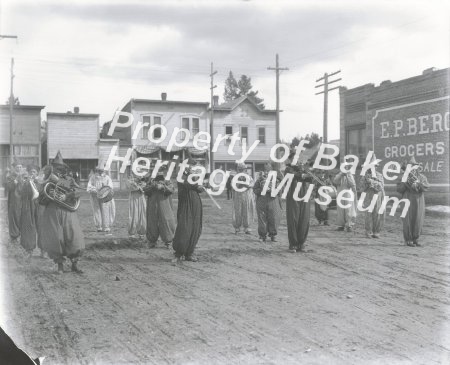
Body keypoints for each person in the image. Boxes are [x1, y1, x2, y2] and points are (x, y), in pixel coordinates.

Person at [39, 151, 85, 274]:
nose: (58, 169)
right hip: (52, 212)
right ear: (52, 167)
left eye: (60, 167)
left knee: (74, 237)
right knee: (56, 238)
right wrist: (50, 196)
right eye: (55, 167)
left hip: (68, 212)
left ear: (64, 168)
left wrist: (66, 196)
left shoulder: (69, 180)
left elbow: (79, 192)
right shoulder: (45, 181)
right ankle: (60, 266)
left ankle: (75, 264)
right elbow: (40, 200)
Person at [172, 160, 205, 263]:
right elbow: (189, 184)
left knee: (195, 227)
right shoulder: (181, 177)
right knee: (184, 227)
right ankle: (178, 253)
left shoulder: (194, 176)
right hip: (186, 204)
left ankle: (189, 253)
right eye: (189, 166)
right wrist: (197, 184)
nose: (190, 168)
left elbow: (199, 188)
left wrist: (200, 186)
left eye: (192, 167)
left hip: (195, 203)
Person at [397, 156, 429, 247]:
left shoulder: (422, 177)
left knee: (418, 219)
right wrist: (405, 183)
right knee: (408, 219)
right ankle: (408, 240)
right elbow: (399, 189)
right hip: (407, 200)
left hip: (419, 201)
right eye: (410, 166)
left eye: (414, 166)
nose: (412, 168)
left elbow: (426, 187)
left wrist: (418, 183)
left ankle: (415, 239)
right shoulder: (403, 177)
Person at [285, 156, 314, 253]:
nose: (298, 161)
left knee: (304, 219)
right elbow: (295, 176)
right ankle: (293, 244)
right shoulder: (288, 169)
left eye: (299, 159)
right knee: (294, 219)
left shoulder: (303, 169)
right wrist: (303, 174)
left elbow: (310, 180)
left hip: (305, 195)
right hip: (293, 196)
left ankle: (301, 244)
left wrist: (309, 173)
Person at [144, 166, 176, 248]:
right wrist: (152, 186)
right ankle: (152, 240)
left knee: (166, 221)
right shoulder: (151, 180)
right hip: (153, 204)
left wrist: (163, 187)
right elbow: (145, 190)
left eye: (160, 171)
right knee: (152, 221)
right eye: (157, 171)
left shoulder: (167, 180)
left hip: (164, 204)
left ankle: (168, 241)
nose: (158, 173)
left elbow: (172, 189)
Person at [253, 162, 283, 242]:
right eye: (265, 169)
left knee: (274, 217)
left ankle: (273, 235)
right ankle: (262, 235)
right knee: (262, 218)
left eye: (269, 169)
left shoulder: (276, 179)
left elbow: (280, 189)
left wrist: (273, 191)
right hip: (261, 200)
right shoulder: (260, 179)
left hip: (273, 200)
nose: (267, 171)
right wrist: (261, 190)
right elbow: (255, 189)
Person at [359, 155, 385, 238]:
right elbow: (361, 187)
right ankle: (368, 231)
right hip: (368, 196)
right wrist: (366, 183)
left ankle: (376, 231)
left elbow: (381, 186)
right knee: (368, 214)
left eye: (374, 166)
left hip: (377, 197)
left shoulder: (379, 175)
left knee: (377, 214)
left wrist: (372, 182)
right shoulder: (364, 176)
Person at [17, 165, 40, 258]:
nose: (32, 173)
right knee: (28, 226)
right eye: (31, 172)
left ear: (37, 174)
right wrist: (26, 182)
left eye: (34, 172)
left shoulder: (39, 182)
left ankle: (43, 250)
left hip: (39, 206)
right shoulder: (26, 182)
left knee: (41, 228)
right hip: (28, 206)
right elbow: (20, 193)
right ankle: (29, 249)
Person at [87, 162, 116, 233]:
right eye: (99, 170)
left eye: (102, 170)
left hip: (105, 197)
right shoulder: (93, 177)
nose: (100, 172)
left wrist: (105, 191)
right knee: (97, 210)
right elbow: (89, 186)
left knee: (105, 210)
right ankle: (99, 226)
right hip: (95, 196)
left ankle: (106, 226)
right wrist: (94, 190)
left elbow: (110, 187)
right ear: (97, 170)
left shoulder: (107, 178)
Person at [333, 160, 358, 232]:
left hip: (348, 195)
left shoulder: (350, 175)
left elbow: (352, 184)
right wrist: (341, 175)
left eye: (346, 167)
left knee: (348, 210)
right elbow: (335, 181)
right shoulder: (339, 175)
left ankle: (349, 225)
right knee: (340, 210)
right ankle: (341, 225)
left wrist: (347, 175)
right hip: (340, 194)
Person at [231, 163, 256, 234]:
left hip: (247, 195)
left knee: (247, 210)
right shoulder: (235, 177)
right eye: (240, 169)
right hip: (238, 196)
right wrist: (238, 184)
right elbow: (233, 185)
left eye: (243, 169)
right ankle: (237, 227)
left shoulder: (249, 177)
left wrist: (247, 185)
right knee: (237, 211)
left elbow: (252, 184)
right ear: (238, 169)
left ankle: (247, 227)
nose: (241, 170)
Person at [5, 161, 23, 243]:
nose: (19, 168)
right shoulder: (10, 177)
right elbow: (9, 188)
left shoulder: (24, 176)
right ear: (14, 168)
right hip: (14, 200)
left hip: (22, 201)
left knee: (21, 217)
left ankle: (20, 235)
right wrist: (14, 183)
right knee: (14, 216)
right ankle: (14, 236)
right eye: (17, 167)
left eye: (20, 167)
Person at [127, 172, 147, 240]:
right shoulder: (131, 178)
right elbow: (130, 187)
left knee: (142, 214)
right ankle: (132, 233)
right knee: (133, 214)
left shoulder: (143, 178)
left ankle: (142, 232)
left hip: (141, 197)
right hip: (133, 198)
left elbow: (145, 187)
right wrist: (137, 186)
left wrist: (140, 186)